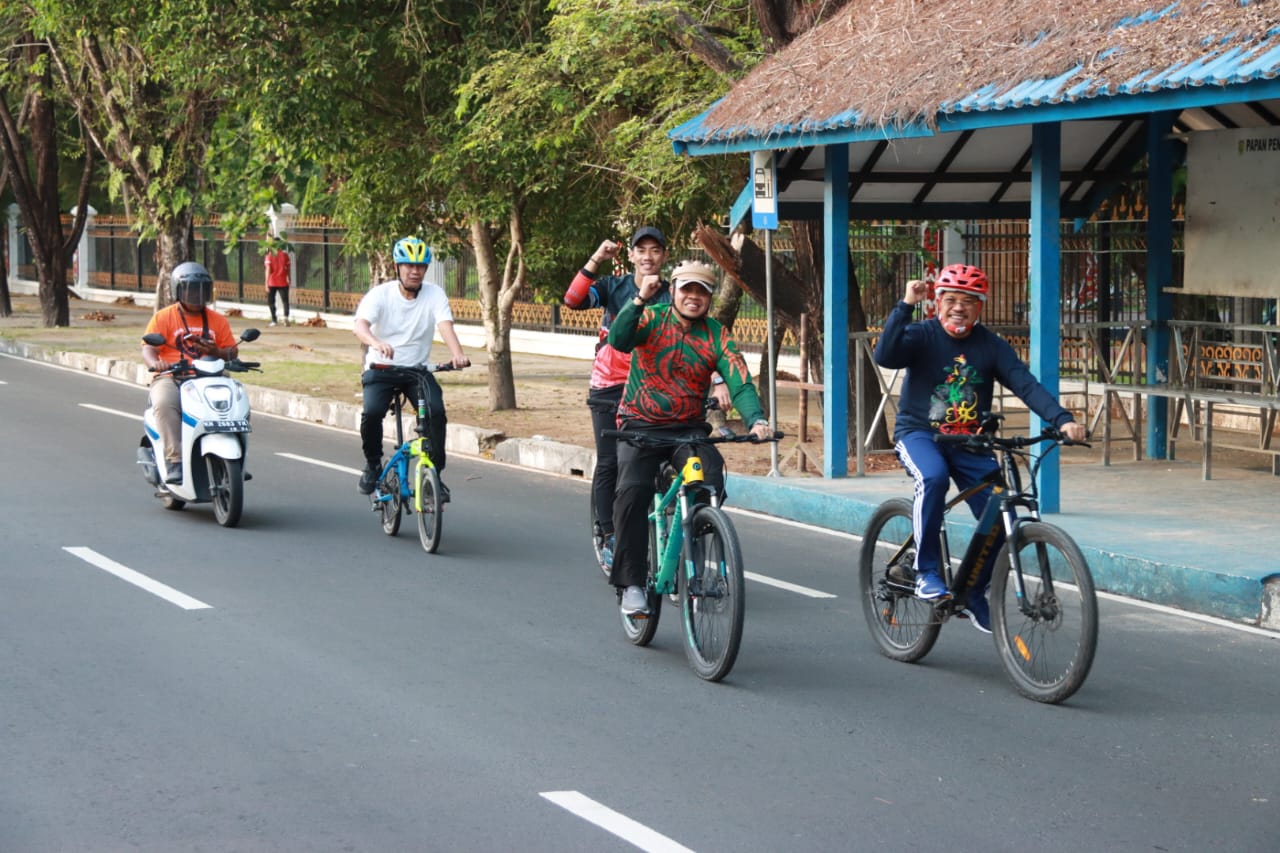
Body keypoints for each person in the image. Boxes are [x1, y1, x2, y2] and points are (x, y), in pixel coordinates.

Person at [873, 263, 1087, 632]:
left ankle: (973, 592)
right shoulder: (922, 335)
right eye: (951, 299)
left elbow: (1026, 384)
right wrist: (906, 304)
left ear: (980, 306)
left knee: (1002, 515)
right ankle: (926, 572)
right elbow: (885, 355)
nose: (959, 307)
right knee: (934, 478)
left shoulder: (990, 346)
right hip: (920, 434)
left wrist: (1062, 420)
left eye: (969, 301)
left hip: (970, 441)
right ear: (937, 302)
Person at [606, 260, 772, 616]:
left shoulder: (717, 334)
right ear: (674, 290)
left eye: (702, 291)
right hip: (640, 426)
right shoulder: (651, 317)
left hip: (688, 430)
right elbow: (619, 340)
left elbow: (739, 380)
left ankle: (687, 551)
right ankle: (632, 583)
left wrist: (756, 420)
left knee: (710, 477)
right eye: (687, 289)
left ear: (710, 298)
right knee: (633, 493)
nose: (694, 297)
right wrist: (638, 300)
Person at [563, 227, 730, 572]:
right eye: (642, 250)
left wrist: (717, 380)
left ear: (664, 256)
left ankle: (680, 527)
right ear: (631, 256)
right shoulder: (615, 286)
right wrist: (597, 258)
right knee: (613, 461)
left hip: (660, 384)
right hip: (613, 384)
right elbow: (573, 300)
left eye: (656, 250)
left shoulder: (675, 292)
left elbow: (698, 341)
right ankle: (609, 533)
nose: (648, 256)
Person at [353, 236, 470, 498]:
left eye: (420, 266)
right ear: (398, 266)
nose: (415, 271)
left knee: (436, 413)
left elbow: (444, 325)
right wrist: (376, 342)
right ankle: (372, 464)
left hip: (416, 371)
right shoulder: (380, 295)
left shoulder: (434, 294)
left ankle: (435, 475)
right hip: (381, 369)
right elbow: (360, 327)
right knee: (372, 413)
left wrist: (458, 354)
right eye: (409, 265)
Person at [141, 262, 240, 485]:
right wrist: (155, 363)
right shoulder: (163, 317)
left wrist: (215, 351)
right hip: (172, 377)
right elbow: (148, 347)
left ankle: (237, 455)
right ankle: (175, 460)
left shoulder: (218, 320)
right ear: (178, 290)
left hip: (210, 377)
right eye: (191, 289)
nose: (196, 294)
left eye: (201, 289)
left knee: (236, 398)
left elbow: (231, 352)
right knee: (165, 404)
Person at [264, 237, 292, 327]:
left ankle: (274, 320)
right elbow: (288, 268)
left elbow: (268, 270)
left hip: (272, 282)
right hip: (283, 281)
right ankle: (286, 317)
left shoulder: (269, 255)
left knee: (271, 301)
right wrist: (289, 278)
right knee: (285, 301)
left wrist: (266, 283)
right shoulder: (285, 255)